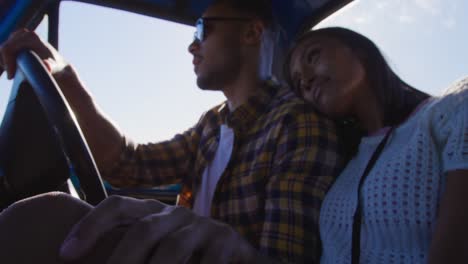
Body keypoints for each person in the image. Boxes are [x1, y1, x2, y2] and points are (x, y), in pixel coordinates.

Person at [0, 1, 346, 263]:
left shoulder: (298, 125)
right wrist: (65, 77)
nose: (192, 46)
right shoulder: (212, 125)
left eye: (202, 29)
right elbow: (129, 163)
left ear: (251, 33)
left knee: (48, 221)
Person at [286, 27, 468, 263]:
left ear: (361, 52)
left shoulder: (452, 109)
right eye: (299, 84)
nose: (307, 81)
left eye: (313, 57)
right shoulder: (343, 170)